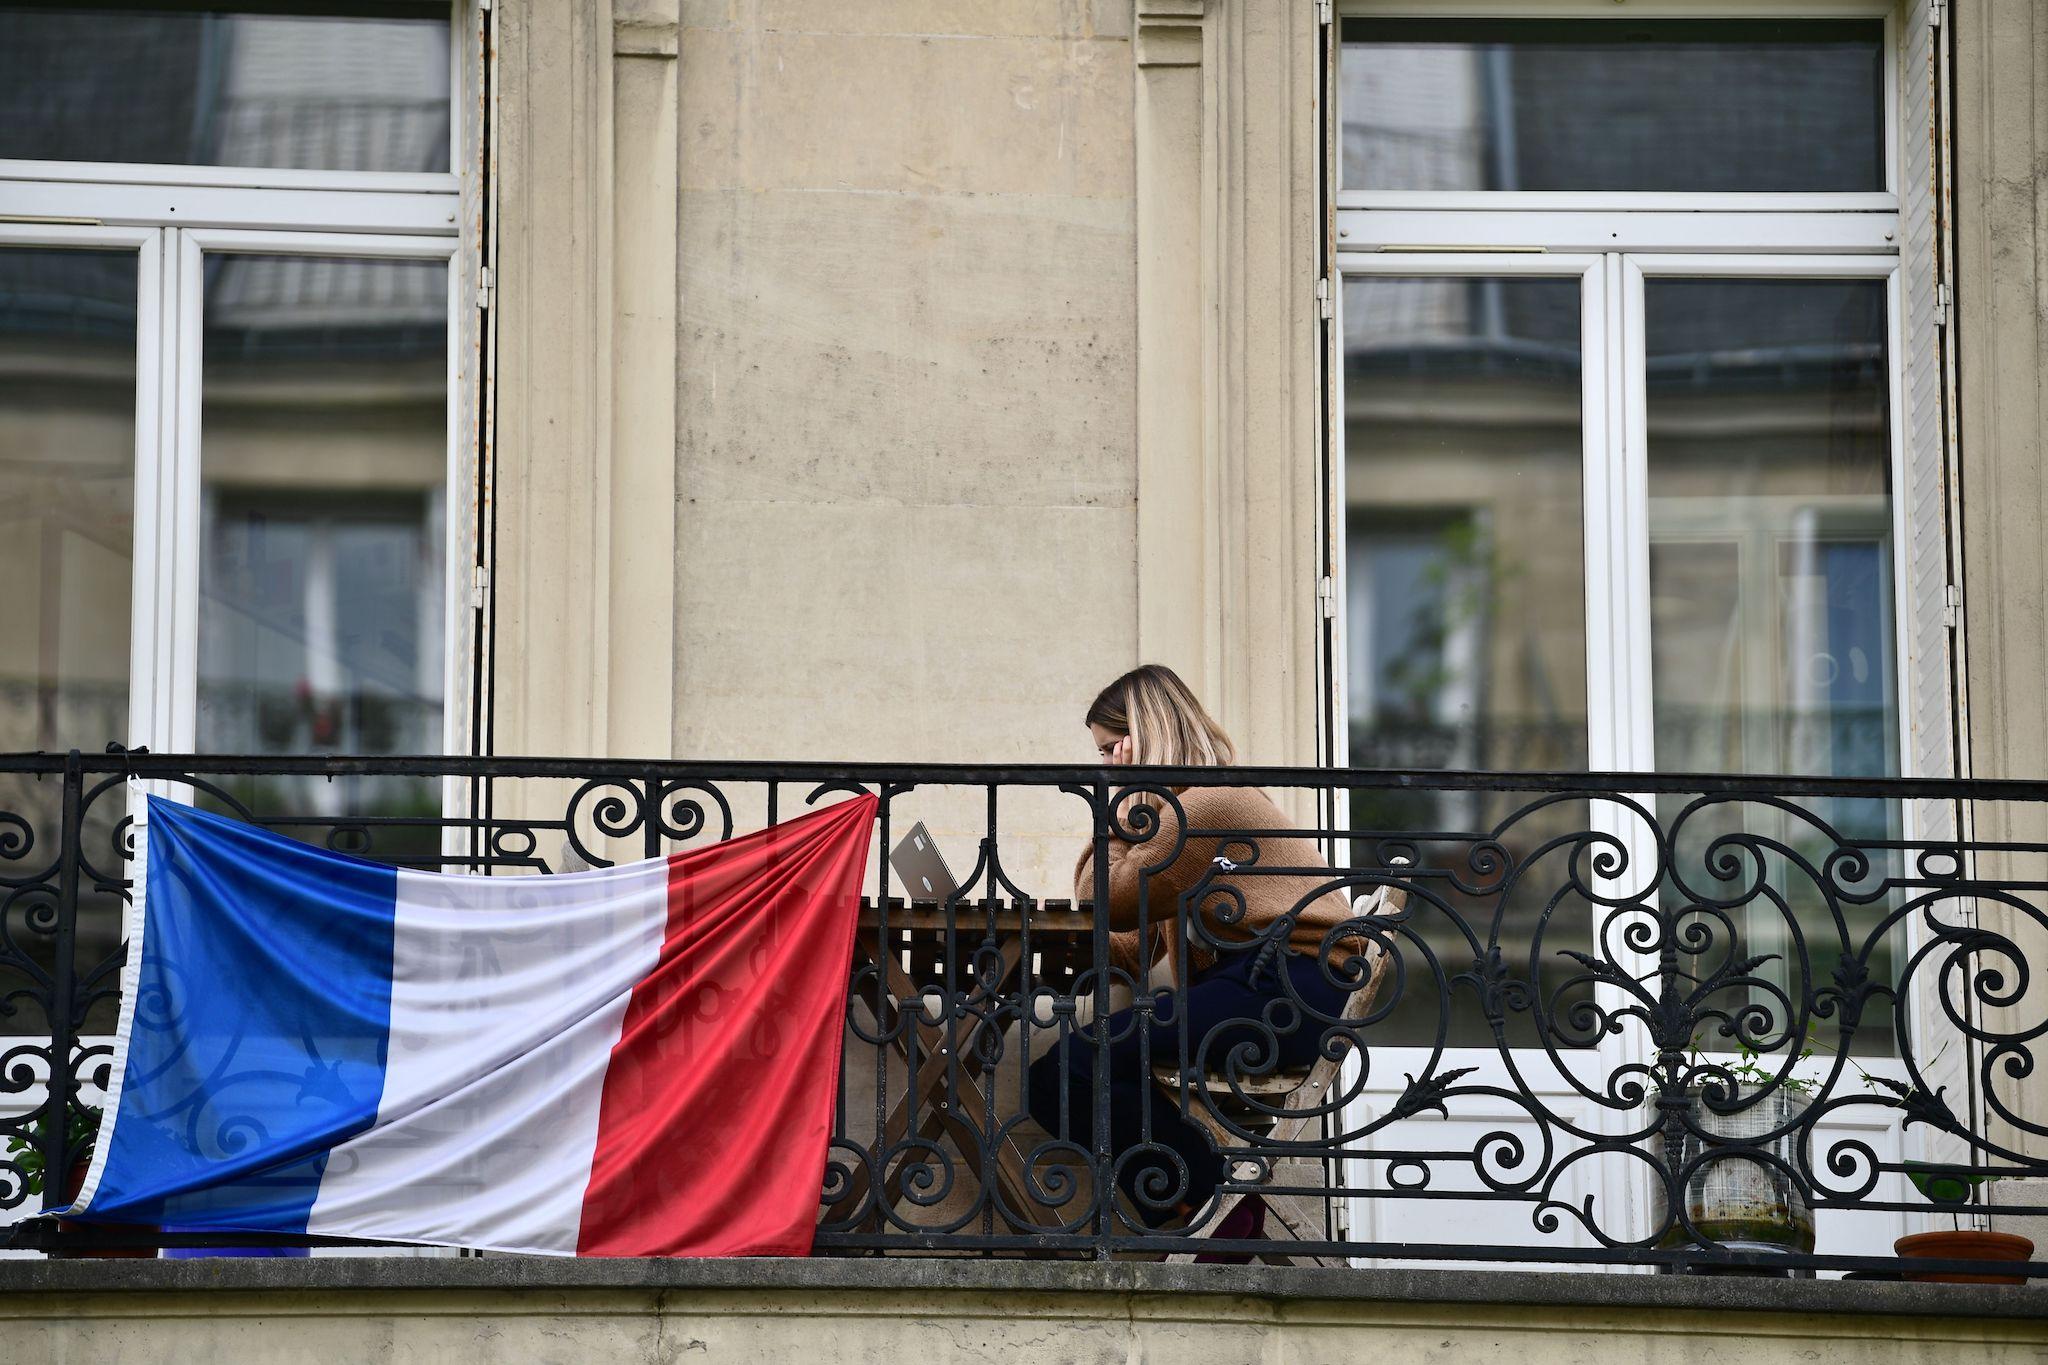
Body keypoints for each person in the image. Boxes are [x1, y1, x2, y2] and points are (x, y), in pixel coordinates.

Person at [1024, 663, 1372, 1244]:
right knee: (1069, 1069)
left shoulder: (1207, 805)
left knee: (1070, 1068)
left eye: (1112, 750)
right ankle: (1204, 1207)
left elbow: (1103, 894)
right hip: (1265, 987)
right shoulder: (1177, 820)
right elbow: (1130, 941)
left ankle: (1215, 1204)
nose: (1105, 767)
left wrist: (1115, 808)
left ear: (1147, 734)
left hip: (1287, 989)